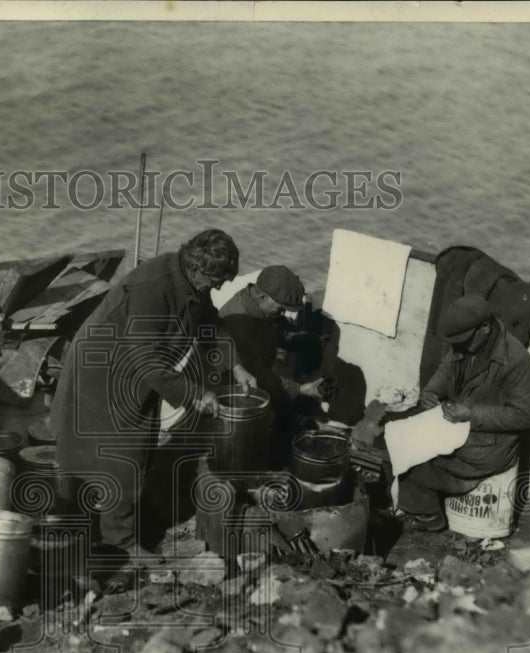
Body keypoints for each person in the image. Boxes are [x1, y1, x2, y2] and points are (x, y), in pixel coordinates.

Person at [51, 229, 257, 558]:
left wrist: (235, 366)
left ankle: (105, 529)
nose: (218, 287)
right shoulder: (153, 286)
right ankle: (117, 544)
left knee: (139, 447)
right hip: (103, 373)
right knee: (119, 457)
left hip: (141, 373)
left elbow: (209, 324)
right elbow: (146, 356)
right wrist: (195, 394)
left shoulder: (192, 283)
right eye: (216, 280)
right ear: (196, 268)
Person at [397, 295, 530, 531]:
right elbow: (445, 372)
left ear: (485, 327)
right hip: (459, 427)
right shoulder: (467, 343)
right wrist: (431, 392)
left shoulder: (516, 360)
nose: (460, 346)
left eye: (465, 340)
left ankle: (428, 516)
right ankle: (417, 503)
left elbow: (526, 415)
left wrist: (471, 414)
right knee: (397, 434)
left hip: (490, 443)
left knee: (416, 458)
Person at [218, 266, 336, 464]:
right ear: (263, 297)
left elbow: (273, 331)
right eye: (281, 309)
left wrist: (302, 339)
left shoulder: (258, 306)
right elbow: (257, 375)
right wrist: (301, 389)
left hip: (259, 375)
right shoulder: (238, 322)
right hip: (236, 394)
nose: (282, 314)